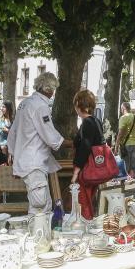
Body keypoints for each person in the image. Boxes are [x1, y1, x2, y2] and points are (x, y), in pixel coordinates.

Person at [8, 72, 66, 214]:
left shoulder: (25, 103)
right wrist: (72, 143)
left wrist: (15, 157)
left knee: (40, 203)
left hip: (27, 161)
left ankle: (39, 232)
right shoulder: (40, 106)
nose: (53, 94)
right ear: (48, 89)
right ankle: (38, 234)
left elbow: (13, 133)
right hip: (34, 162)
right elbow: (50, 137)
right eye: (53, 90)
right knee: (40, 205)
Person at [71, 90, 103, 220]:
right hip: (97, 168)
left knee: (83, 202)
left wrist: (75, 172)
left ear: (79, 105)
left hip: (87, 169)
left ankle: (85, 228)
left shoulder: (87, 123)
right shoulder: (96, 121)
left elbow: (85, 147)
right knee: (90, 201)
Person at [115, 102, 135, 180]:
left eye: (121, 109)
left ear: (123, 108)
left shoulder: (123, 118)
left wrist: (116, 147)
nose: (121, 110)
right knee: (134, 165)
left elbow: (120, 134)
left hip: (126, 146)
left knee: (124, 165)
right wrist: (134, 139)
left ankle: (123, 183)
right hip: (134, 144)